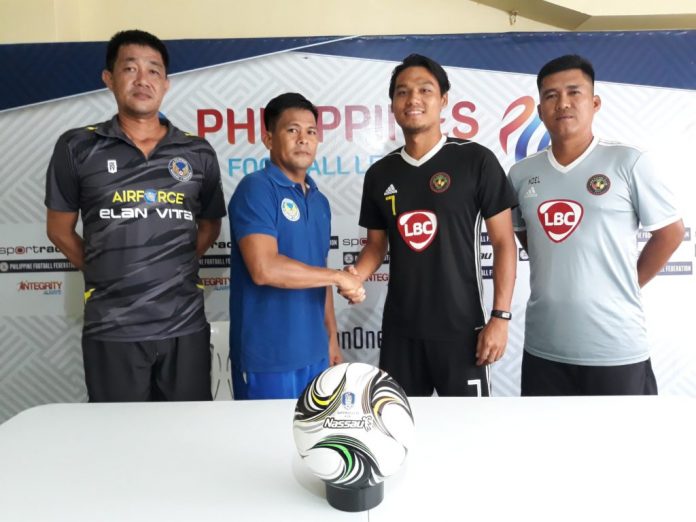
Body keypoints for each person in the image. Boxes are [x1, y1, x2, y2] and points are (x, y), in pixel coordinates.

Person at [45, 30, 226, 402]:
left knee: (187, 438)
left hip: (184, 326)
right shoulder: (77, 146)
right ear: (109, 78)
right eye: (130, 68)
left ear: (166, 83)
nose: (143, 80)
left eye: (154, 71)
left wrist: (168, 264)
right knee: (118, 445)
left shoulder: (197, 151)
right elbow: (59, 230)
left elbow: (210, 224)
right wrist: (106, 271)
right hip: (112, 329)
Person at [342, 54, 518, 397]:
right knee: (399, 432)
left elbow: (503, 243)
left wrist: (500, 317)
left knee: (469, 434)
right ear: (392, 104)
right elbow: (376, 247)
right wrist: (354, 276)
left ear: (444, 100)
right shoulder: (380, 174)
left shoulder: (475, 160)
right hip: (401, 332)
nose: (413, 99)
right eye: (403, 92)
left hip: (464, 331)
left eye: (425, 90)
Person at [508, 54, 685, 396]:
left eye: (574, 92)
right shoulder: (520, 174)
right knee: (546, 447)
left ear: (594, 102)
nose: (563, 103)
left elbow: (671, 232)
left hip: (616, 347)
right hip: (545, 347)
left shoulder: (628, 161)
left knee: (621, 448)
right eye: (550, 96)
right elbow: (529, 238)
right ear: (540, 109)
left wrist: (625, 284)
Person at [228, 92, 365, 400]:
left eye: (311, 132)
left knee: (310, 447)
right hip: (268, 359)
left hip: (315, 354)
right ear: (268, 139)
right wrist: (339, 276)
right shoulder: (256, 189)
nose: (303, 139)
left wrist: (331, 339)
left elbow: (318, 274)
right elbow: (264, 268)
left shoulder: (319, 201)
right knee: (264, 446)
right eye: (292, 130)